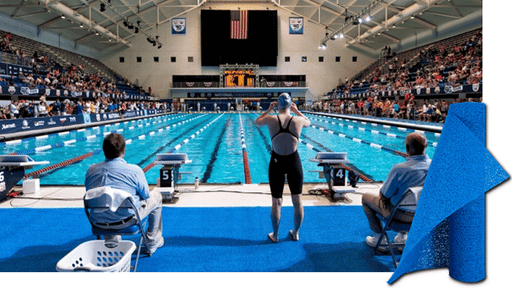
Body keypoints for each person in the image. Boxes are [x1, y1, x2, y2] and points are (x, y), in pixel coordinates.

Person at [85, 133, 164, 254]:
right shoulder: (134, 170)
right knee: (157, 195)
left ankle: (112, 240)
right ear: (123, 150)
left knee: (105, 200)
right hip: (128, 220)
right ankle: (152, 241)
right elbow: (146, 195)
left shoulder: (91, 170)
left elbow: (91, 194)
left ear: (104, 150)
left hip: (98, 222)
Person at [255, 93, 311, 243]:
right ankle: (296, 233)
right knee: (297, 200)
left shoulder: (271, 119)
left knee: (276, 202)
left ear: (278, 105)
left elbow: (256, 121)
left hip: (277, 161)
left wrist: (268, 109)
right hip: (294, 161)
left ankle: (275, 234)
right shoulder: (298, 120)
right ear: (290, 104)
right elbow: (309, 122)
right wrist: (297, 110)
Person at [362, 132, 430, 251]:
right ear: (426, 146)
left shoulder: (399, 169)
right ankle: (402, 237)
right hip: (422, 216)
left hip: (398, 215)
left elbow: (384, 195)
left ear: (407, 148)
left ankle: (380, 239)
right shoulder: (435, 167)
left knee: (366, 198)